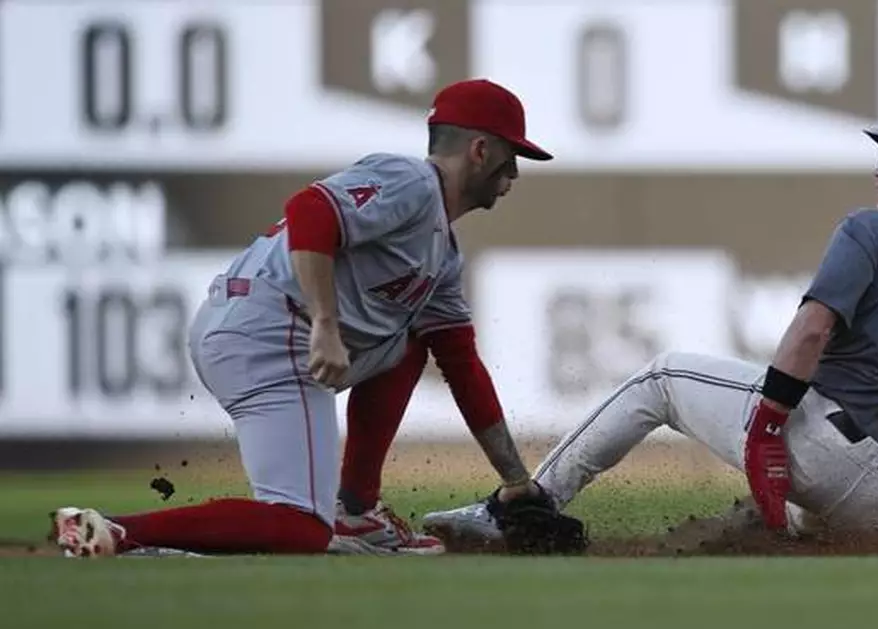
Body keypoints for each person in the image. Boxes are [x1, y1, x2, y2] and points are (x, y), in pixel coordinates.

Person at [419, 98, 878, 553]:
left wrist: (770, 420)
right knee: (815, 521)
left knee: (666, 375)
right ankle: (780, 539)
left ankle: (519, 510)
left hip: (824, 448)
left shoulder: (873, 230)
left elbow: (809, 332)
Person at [50, 78, 566, 558]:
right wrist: (325, 322)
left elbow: (460, 364)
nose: (514, 174)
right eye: (511, 156)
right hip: (271, 333)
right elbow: (309, 211)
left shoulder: (442, 257)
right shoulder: (412, 182)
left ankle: (358, 512)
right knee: (302, 528)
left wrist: (515, 480)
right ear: (480, 151)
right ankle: (120, 531)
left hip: (258, 327)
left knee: (413, 340)